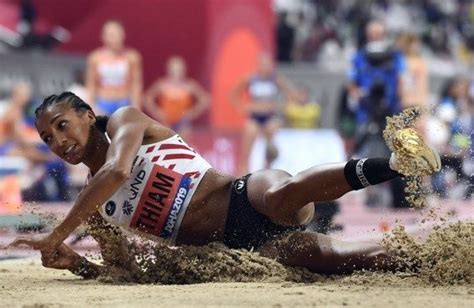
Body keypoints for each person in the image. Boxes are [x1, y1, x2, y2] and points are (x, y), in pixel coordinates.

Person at [7, 92, 441, 278]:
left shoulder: (126, 121)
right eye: (47, 139)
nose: (59, 142)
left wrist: (57, 233)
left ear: (86, 115)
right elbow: (123, 274)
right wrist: (77, 264)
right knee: (326, 258)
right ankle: (438, 260)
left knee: (281, 196)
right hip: (236, 248)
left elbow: (118, 172)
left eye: (62, 126)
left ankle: (397, 163)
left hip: (245, 195)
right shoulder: (97, 207)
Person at [230, 53, 293, 175]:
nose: (265, 67)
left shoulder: (275, 79)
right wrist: (243, 107)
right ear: (258, 65)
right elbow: (234, 95)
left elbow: (289, 94)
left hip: (269, 117)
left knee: (270, 148)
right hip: (254, 117)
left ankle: (268, 171)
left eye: (267, 65)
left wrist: (279, 107)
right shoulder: (250, 79)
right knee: (247, 147)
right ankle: (242, 175)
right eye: (263, 64)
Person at [144, 56, 209, 140]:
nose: (176, 72)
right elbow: (147, 98)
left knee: (183, 145)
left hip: (183, 121)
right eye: (174, 69)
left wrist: (193, 112)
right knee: (167, 144)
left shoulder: (189, 85)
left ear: (184, 70)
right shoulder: (162, 84)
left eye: (179, 69)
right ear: (168, 69)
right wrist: (157, 112)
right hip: (166, 120)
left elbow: (205, 99)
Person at [86, 20, 142, 115]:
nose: (114, 38)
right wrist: (90, 106)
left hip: (123, 102)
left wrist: (136, 106)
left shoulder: (132, 57)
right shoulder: (95, 57)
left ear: (123, 35)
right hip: (103, 102)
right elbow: (91, 83)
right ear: (103, 36)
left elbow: (136, 84)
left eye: (117, 34)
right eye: (111, 34)